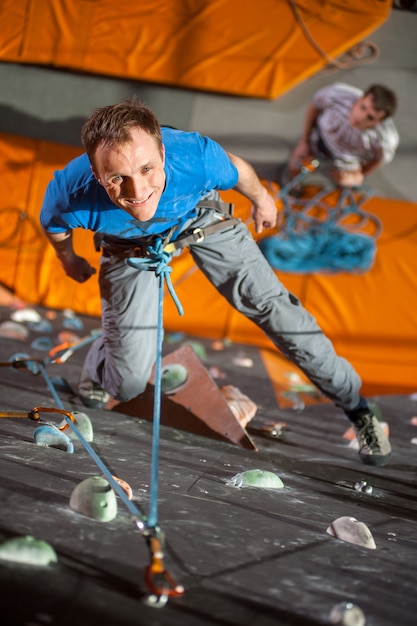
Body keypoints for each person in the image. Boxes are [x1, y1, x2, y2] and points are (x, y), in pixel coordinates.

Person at [40, 97, 391, 467]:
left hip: (198, 220)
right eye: (117, 178)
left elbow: (238, 170)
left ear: (162, 152)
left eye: (147, 168)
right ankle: (103, 360)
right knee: (125, 384)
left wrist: (262, 199)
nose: (137, 190)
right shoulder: (72, 192)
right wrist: (69, 259)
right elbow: (54, 225)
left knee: (276, 311)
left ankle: (358, 408)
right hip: (129, 245)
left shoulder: (195, 157)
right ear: (97, 176)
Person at [288, 82, 399, 187]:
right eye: (362, 107)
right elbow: (314, 106)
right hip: (318, 139)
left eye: (370, 117)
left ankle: (344, 184)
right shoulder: (336, 95)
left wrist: (359, 174)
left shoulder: (385, 139)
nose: (360, 117)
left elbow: (379, 160)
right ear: (360, 99)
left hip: (346, 160)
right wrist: (304, 142)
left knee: (347, 181)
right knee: (295, 164)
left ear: (379, 122)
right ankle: (293, 183)